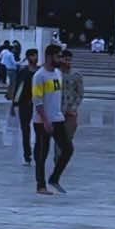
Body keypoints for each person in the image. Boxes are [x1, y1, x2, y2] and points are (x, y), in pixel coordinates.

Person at [32, 43, 72, 194]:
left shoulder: (58, 73)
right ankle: (40, 185)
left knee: (68, 149)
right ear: (49, 56)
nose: (60, 59)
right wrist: (45, 120)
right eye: (57, 56)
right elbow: (37, 100)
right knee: (42, 153)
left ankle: (54, 178)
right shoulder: (39, 76)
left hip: (58, 118)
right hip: (43, 121)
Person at [12, 48, 39, 163]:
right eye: (33, 56)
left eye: (36, 55)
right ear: (28, 58)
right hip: (25, 103)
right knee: (25, 129)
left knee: (39, 129)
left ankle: (38, 152)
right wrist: (14, 103)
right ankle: (27, 154)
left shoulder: (40, 72)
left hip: (38, 103)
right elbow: (19, 87)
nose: (35, 58)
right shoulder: (23, 71)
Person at [60, 47, 83, 154]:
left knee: (68, 135)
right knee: (58, 137)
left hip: (71, 110)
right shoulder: (56, 74)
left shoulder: (76, 75)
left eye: (69, 60)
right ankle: (58, 157)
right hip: (57, 111)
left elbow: (80, 93)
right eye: (65, 59)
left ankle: (63, 156)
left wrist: (74, 106)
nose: (67, 62)